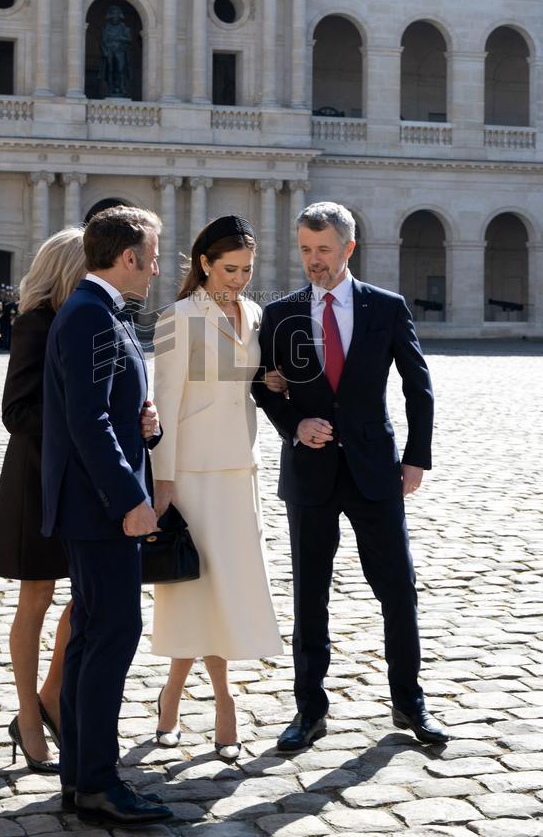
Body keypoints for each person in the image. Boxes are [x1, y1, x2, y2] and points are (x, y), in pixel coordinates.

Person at [253, 201, 450, 750]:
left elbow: (418, 386)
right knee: (309, 595)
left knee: (398, 590)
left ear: (348, 248)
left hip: (375, 471)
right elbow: (261, 385)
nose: (313, 260)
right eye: (305, 250)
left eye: (323, 249)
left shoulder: (386, 307)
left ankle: (410, 702)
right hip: (309, 473)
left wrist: (415, 459)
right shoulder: (281, 314)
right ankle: (309, 710)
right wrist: (294, 425)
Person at [42, 206, 173, 829]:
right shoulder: (92, 315)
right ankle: (97, 781)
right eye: (153, 256)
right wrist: (130, 499)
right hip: (100, 510)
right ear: (127, 257)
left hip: (92, 504)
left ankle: (79, 777)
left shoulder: (99, 311)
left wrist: (144, 425)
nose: (157, 268)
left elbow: (105, 410)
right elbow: (87, 420)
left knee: (92, 637)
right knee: (112, 636)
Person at [150, 215, 283, 761]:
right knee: (194, 590)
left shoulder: (255, 314)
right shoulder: (176, 318)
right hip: (191, 476)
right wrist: (162, 482)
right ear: (204, 264)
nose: (239, 280)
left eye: (247, 270)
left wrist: (267, 380)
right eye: (230, 269)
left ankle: (172, 697)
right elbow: (164, 403)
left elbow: (243, 382)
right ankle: (223, 702)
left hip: (239, 471)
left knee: (224, 590)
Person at [0, 228, 87, 773]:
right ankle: (28, 714)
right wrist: (82, 424)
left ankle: (51, 693)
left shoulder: (90, 318)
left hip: (84, 482)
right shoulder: (35, 324)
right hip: (37, 478)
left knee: (88, 595)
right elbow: (16, 411)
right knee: (37, 596)